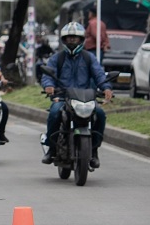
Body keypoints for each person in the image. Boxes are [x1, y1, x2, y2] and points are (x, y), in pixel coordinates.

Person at [41, 22, 112, 168]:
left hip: (85, 97)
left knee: (100, 113)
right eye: (69, 38)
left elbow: (99, 74)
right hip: (62, 97)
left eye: (75, 38)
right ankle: (51, 148)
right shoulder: (57, 58)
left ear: (81, 40)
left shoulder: (89, 58)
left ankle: (94, 149)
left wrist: (106, 87)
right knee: (54, 112)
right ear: (64, 40)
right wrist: (48, 85)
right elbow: (48, 74)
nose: (72, 41)